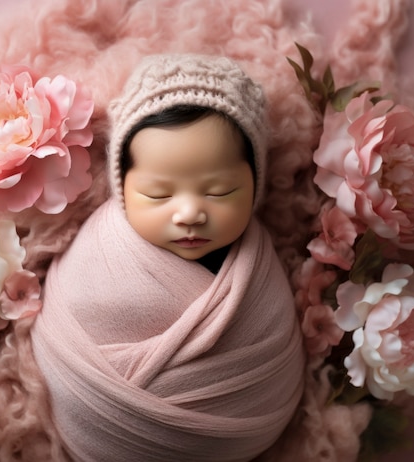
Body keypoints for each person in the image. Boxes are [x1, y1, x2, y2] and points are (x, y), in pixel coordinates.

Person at [29, 54, 305, 461]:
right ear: (122, 188)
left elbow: (274, 369)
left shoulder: (258, 274)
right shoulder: (95, 257)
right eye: (158, 195)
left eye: (219, 192)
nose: (190, 213)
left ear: (255, 185)